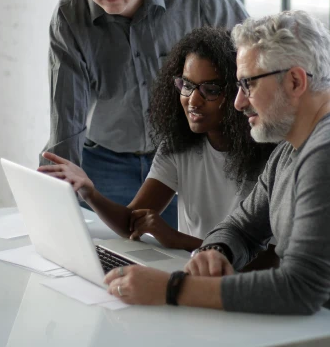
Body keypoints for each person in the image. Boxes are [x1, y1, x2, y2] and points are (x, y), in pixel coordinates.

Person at [102, 11, 330, 347]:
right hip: (310, 335)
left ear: (295, 82)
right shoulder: (292, 148)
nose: (239, 101)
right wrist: (217, 251)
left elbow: (299, 290)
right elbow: (241, 228)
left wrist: (171, 289)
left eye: (248, 84)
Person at [40, 0, 248, 229]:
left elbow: (252, 68)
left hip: (187, 157)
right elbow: (67, 118)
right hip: (105, 161)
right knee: (105, 264)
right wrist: (54, 197)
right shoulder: (70, 16)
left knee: (184, 260)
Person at [39, 27, 275, 256]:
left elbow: (270, 262)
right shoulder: (180, 144)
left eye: (210, 89)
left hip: (242, 286)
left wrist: (176, 239)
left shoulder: (271, 156)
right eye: (187, 85)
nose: (193, 100)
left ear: (240, 91)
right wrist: (89, 191)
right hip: (191, 273)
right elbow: (133, 222)